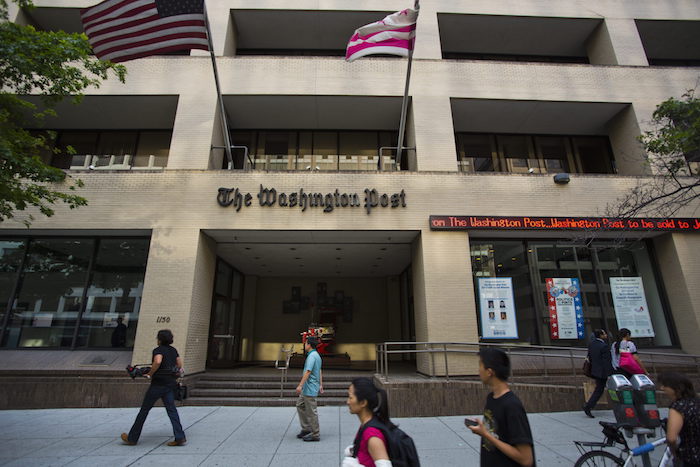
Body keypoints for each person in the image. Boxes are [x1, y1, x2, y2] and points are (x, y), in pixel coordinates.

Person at [467, 348, 535, 467]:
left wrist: (486, 435)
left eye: (480, 366)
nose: (478, 371)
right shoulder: (491, 398)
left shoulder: (512, 406)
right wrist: (483, 430)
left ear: (489, 372)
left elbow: (526, 459)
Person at [121, 329, 186, 446]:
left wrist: (150, 373)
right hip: (169, 384)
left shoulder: (158, 350)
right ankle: (180, 437)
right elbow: (179, 364)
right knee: (172, 411)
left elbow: (158, 361)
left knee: (144, 410)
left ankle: (132, 438)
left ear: (159, 339)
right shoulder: (173, 350)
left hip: (158, 384)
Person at [341, 377, 392, 467]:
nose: (348, 402)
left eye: (350, 397)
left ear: (363, 403)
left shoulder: (372, 434)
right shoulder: (366, 425)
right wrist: (356, 450)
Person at [658, 372, 700, 467]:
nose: (662, 388)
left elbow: (672, 438)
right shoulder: (697, 402)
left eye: (665, 385)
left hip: (690, 456)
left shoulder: (678, 407)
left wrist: (675, 452)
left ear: (676, 388)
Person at [295, 335, 323, 442]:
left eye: (306, 343)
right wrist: (321, 384)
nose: (304, 345)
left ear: (309, 345)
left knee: (311, 411)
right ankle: (306, 428)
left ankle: (315, 434)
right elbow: (319, 370)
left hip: (309, 387)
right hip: (309, 387)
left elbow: (308, 371)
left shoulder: (312, 356)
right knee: (300, 405)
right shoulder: (316, 355)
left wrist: (300, 385)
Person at [583, 329, 613, 418]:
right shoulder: (604, 346)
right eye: (604, 334)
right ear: (601, 335)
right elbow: (606, 361)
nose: (606, 335)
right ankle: (588, 406)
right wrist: (609, 373)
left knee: (599, 389)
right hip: (602, 372)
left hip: (595, 371)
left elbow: (590, 358)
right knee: (599, 390)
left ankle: (588, 405)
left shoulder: (592, 344)